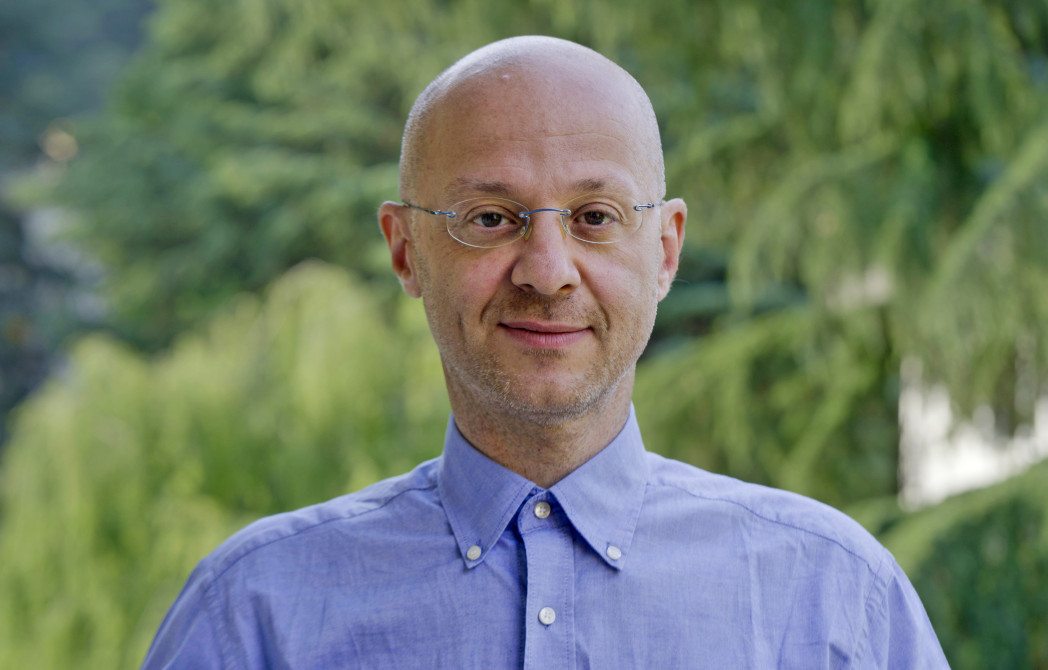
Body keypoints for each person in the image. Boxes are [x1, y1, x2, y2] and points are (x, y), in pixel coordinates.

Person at [142, 36, 949, 668]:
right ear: (405, 250)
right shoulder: (255, 615)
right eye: (490, 218)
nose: (548, 272)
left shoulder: (835, 600)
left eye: (595, 216)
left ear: (665, 251)